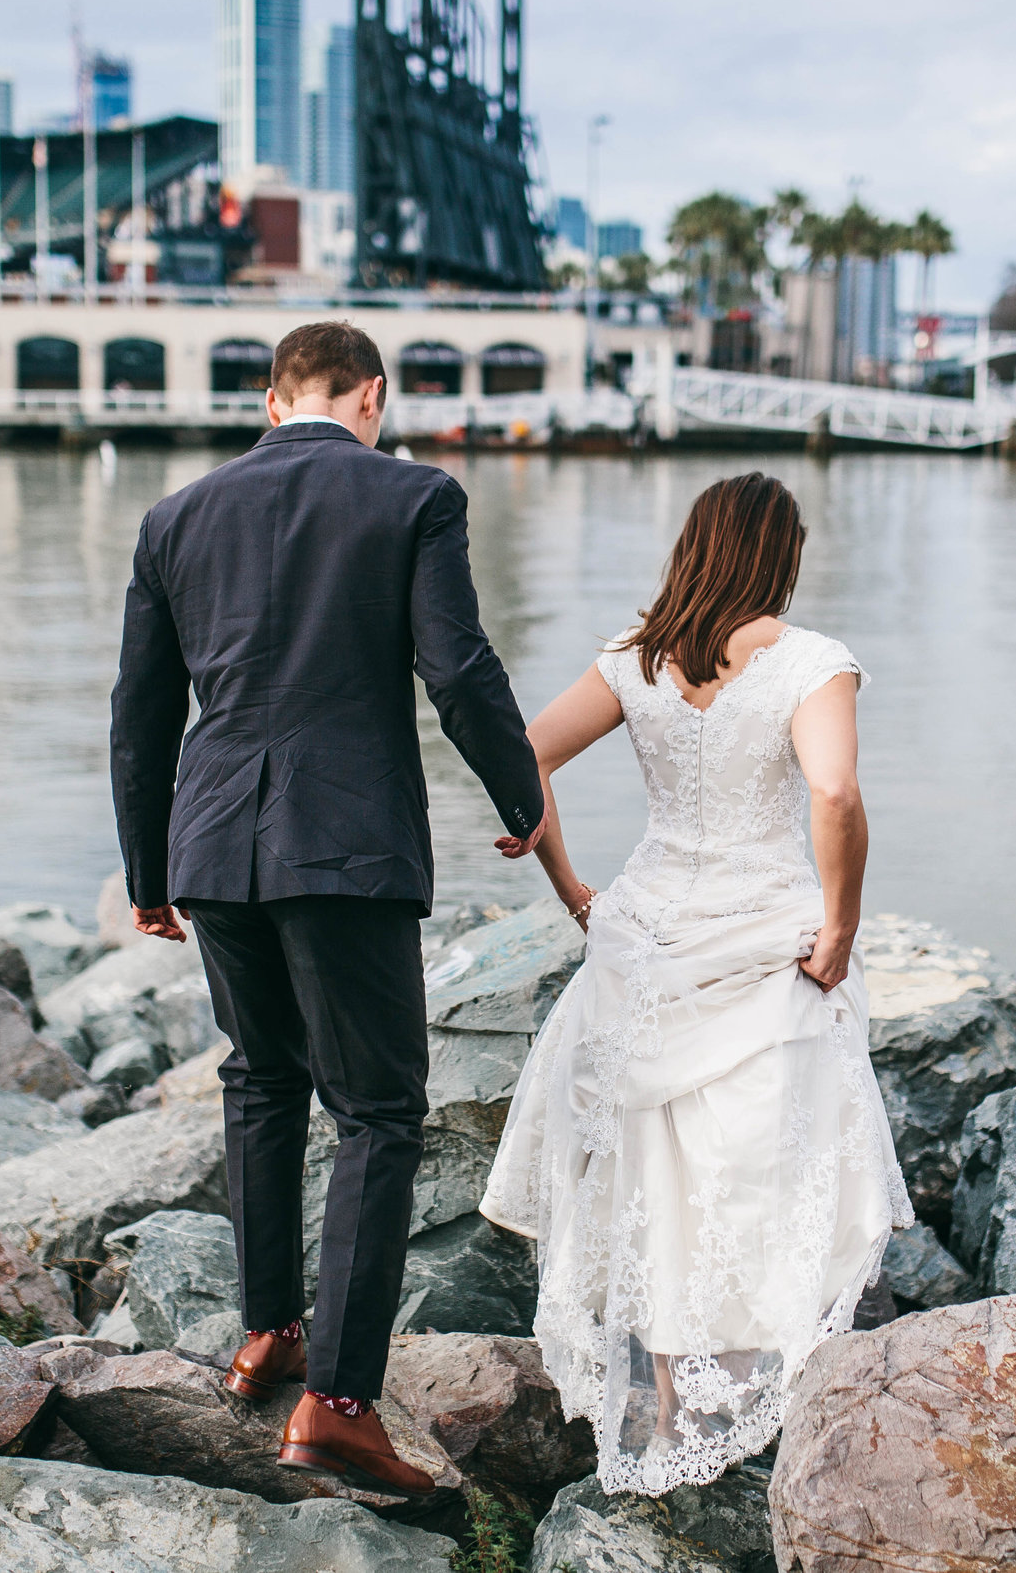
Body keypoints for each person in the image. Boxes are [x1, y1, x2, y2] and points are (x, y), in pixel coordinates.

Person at [109, 320, 543, 1498]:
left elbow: (140, 712)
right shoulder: (414, 497)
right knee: (379, 1111)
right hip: (343, 844)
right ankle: (341, 1406)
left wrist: (146, 872)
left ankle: (267, 1331)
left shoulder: (176, 516)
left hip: (211, 842)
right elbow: (456, 667)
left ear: (270, 400)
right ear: (372, 397)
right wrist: (524, 793)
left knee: (260, 1078)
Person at [479, 472, 910, 1496]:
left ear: (695, 546)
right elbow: (835, 789)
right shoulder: (812, 662)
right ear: (782, 556)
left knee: (658, 1179)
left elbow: (521, 756)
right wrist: (841, 922)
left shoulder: (634, 662)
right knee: (758, 1167)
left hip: (640, 933)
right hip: (765, 942)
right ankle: (760, 1388)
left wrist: (573, 886)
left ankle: (674, 1403)